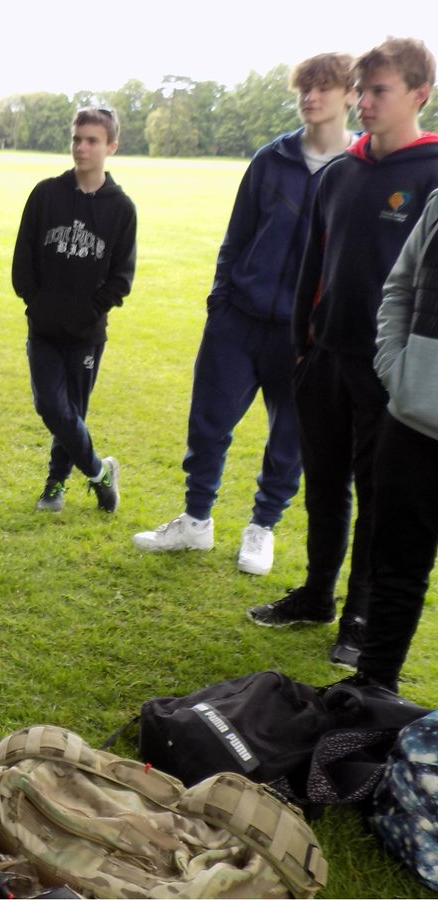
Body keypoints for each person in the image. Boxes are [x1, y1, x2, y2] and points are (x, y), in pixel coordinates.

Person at [245, 38, 438, 671]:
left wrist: (399, 367)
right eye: (362, 90)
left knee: (380, 498)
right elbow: (311, 268)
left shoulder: (430, 174)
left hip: (390, 373)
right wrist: (303, 348)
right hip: (323, 358)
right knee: (324, 487)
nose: (365, 103)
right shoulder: (340, 173)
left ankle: (359, 620)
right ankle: (316, 595)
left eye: (380, 91)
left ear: (420, 95)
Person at [133, 54, 356, 575]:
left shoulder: (356, 172)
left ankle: (262, 528)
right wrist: (220, 301)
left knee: (289, 437)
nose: (310, 97)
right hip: (238, 320)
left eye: (323, 87)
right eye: (304, 87)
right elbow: (236, 237)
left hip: (305, 334)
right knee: (207, 425)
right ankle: (196, 522)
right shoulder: (270, 159)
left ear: (350, 95)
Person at [12, 107, 137, 514]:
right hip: (44, 328)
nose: (81, 148)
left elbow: (122, 277)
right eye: (77, 139)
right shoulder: (46, 194)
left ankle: (54, 485)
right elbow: (23, 257)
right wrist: (37, 302)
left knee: (72, 414)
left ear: (111, 147)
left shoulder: (121, 208)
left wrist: (90, 311)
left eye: (92, 140)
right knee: (51, 406)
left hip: (86, 334)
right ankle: (100, 472)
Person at [344, 187, 438, 694]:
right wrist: (394, 370)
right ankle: (372, 695)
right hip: (412, 420)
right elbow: (400, 288)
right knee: (396, 570)